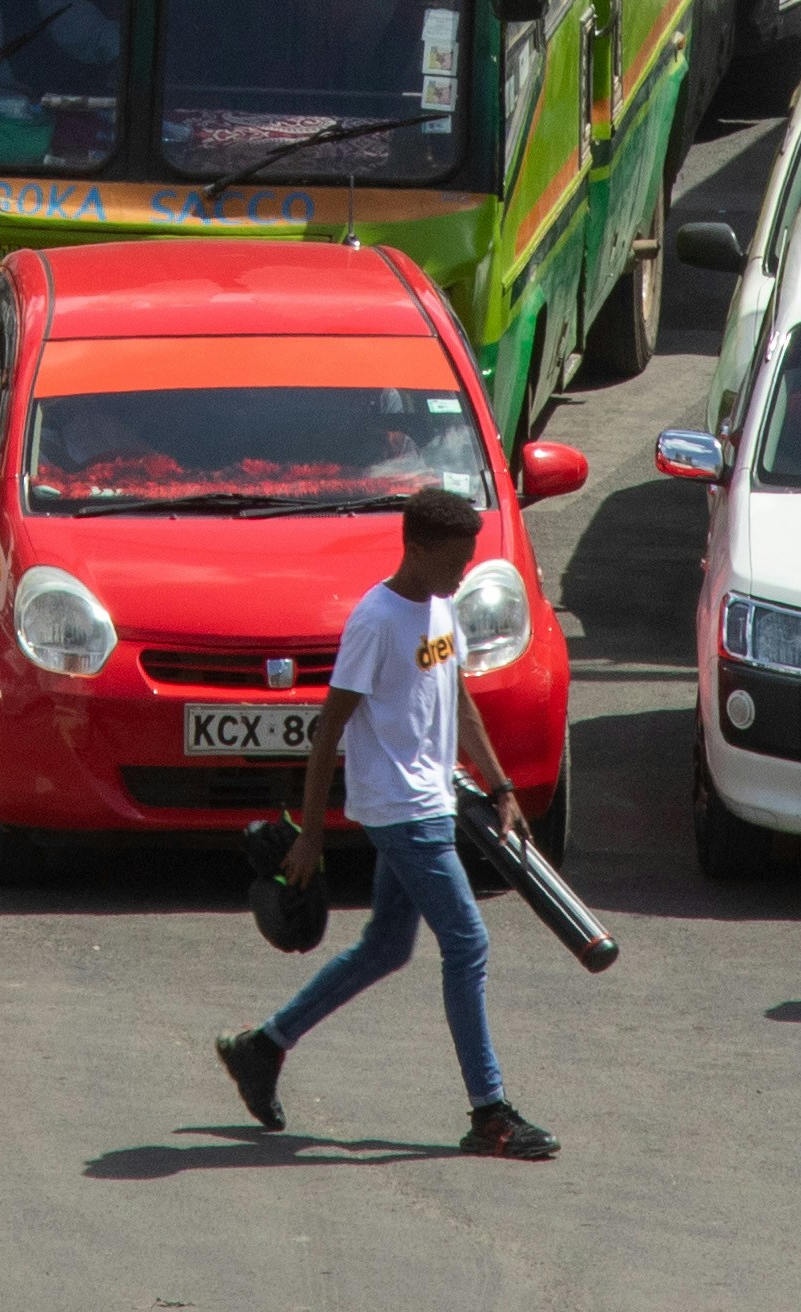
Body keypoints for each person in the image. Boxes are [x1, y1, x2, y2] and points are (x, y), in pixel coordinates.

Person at [211, 482, 555, 1159]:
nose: (464, 571)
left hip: (433, 797)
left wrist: (502, 783)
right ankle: (490, 1113)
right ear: (418, 548)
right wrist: (310, 835)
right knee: (468, 943)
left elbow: (458, 704)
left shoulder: (441, 608)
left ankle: (263, 1047)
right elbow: (328, 728)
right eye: (456, 559)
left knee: (387, 948)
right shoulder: (376, 620)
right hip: (401, 809)